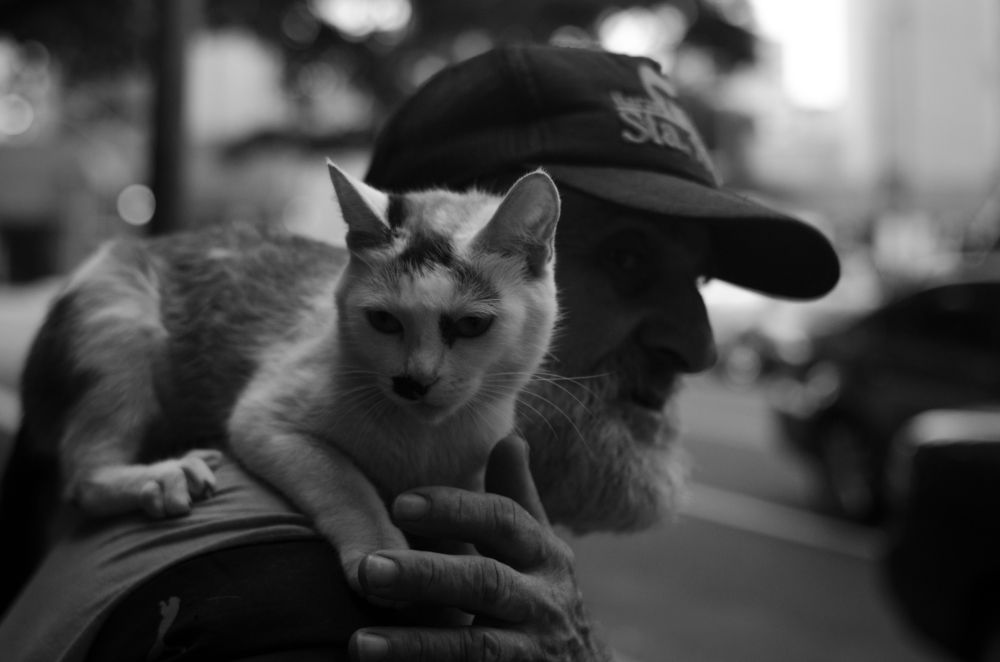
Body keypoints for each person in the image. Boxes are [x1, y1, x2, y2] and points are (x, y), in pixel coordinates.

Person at [0, 43, 839, 661]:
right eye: (627, 260)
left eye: (700, 281)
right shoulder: (294, 604)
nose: (697, 345)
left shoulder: (466, 561)